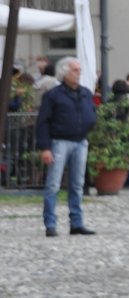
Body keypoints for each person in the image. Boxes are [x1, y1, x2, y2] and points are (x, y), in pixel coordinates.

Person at [36, 56, 97, 237]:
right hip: (59, 141)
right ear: (64, 72)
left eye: (79, 70)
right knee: (53, 184)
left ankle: (76, 222)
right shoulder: (53, 95)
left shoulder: (85, 93)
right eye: (75, 70)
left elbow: (90, 113)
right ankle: (50, 223)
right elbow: (43, 122)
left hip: (80, 141)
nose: (79, 73)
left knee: (77, 184)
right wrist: (45, 147)